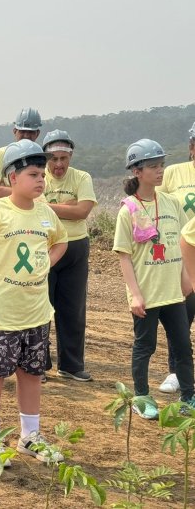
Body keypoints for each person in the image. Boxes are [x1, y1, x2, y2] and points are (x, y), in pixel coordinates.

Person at [0, 139, 68, 467]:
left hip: (36, 312)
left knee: (32, 373)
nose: (41, 180)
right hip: (1, 312)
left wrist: (46, 263)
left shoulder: (46, 212)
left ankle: (29, 436)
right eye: (34, 174)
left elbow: (61, 241)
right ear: (12, 178)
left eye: (43, 175)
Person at [113, 138, 195, 419]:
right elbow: (124, 256)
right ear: (137, 171)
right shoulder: (129, 210)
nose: (160, 171)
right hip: (146, 294)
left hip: (173, 291)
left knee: (183, 346)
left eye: (161, 165)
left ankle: (189, 397)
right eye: (153, 166)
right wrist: (135, 294)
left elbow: (177, 244)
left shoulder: (172, 202)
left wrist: (186, 278)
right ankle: (142, 397)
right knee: (144, 346)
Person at [41, 130, 96, 382]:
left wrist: (48, 208)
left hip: (75, 248)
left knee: (73, 309)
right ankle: (38, 363)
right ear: (45, 159)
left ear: (71, 156)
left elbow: (83, 211)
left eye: (64, 158)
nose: (59, 164)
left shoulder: (82, 177)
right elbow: (36, 214)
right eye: (53, 159)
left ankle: (71, 365)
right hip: (46, 247)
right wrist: (68, 207)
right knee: (41, 308)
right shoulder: (38, 178)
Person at [157, 121, 195, 394]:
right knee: (182, 313)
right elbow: (158, 207)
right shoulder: (174, 172)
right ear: (192, 147)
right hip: (180, 250)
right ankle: (176, 372)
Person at [0, 108, 42, 200]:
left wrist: (6, 189)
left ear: (37, 133)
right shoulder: (1, 154)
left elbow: (42, 194)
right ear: (15, 131)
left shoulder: (41, 157)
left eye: (31, 132)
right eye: (22, 131)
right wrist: (30, 191)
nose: (26, 136)